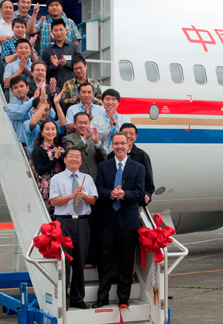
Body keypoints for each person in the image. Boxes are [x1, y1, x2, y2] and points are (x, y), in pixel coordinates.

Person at [94, 132, 145, 308]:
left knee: (126, 262)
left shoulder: (138, 168)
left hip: (127, 222)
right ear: (112, 146)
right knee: (105, 261)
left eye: (123, 143)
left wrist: (124, 194)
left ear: (128, 145)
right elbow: (98, 190)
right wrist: (111, 194)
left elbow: (140, 193)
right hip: (107, 221)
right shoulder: (104, 166)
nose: (119, 147)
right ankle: (103, 297)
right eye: (116, 144)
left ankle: (124, 298)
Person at [49, 147, 97, 309]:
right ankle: (63, 298)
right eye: (71, 156)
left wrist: (84, 196)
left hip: (83, 222)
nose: (74, 159)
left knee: (80, 261)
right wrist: (72, 196)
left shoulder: (87, 178)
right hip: (64, 223)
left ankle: (78, 298)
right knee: (65, 262)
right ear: (65, 159)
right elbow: (54, 201)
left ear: (81, 161)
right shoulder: (57, 179)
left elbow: (93, 201)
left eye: (77, 157)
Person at [107, 123, 155, 206]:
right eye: (125, 134)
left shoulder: (142, 156)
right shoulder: (111, 156)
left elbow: (149, 182)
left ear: (136, 137)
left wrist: (147, 194)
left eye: (131, 134)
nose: (128, 136)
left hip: (134, 203)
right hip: (114, 202)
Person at [31, 119, 64, 215]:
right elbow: (41, 170)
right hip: (46, 187)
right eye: (47, 129)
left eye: (53, 129)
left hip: (60, 185)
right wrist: (55, 159)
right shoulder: (38, 150)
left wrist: (61, 157)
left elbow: (64, 168)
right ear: (42, 132)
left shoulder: (59, 148)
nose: (50, 132)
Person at [40, 19, 83, 90]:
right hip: (54, 89)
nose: (59, 33)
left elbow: (81, 65)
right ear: (52, 33)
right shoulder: (47, 51)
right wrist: (53, 66)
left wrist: (67, 63)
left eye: (61, 30)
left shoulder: (74, 48)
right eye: (56, 30)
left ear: (66, 31)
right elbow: (43, 69)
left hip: (73, 87)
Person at [62, 112, 105, 179]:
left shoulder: (93, 138)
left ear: (89, 124)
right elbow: (70, 151)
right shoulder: (67, 138)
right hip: (75, 177)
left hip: (94, 177)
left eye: (85, 123)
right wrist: (84, 138)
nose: (83, 125)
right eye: (80, 123)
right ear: (74, 125)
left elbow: (104, 159)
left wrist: (97, 143)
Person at [24, 89, 65, 154]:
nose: (44, 112)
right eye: (41, 109)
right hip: (35, 157)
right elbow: (33, 123)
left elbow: (62, 124)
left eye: (46, 110)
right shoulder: (27, 123)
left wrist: (56, 104)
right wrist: (43, 104)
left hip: (50, 156)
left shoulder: (50, 123)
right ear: (33, 109)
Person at [91, 89, 131, 154]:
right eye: (107, 99)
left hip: (119, 153)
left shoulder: (125, 119)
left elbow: (126, 136)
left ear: (118, 103)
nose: (110, 102)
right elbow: (96, 138)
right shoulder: (96, 120)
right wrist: (108, 126)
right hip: (100, 153)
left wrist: (115, 122)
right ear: (103, 102)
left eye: (113, 99)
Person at [6, 76, 34, 144]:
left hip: (36, 144)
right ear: (12, 91)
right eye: (15, 88)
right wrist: (34, 98)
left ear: (27, 88)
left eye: (21, 86)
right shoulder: (9, 107)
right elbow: (21, 113)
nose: (19, 89)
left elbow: (51, 116)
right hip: (20, 146)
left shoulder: (35, 103)